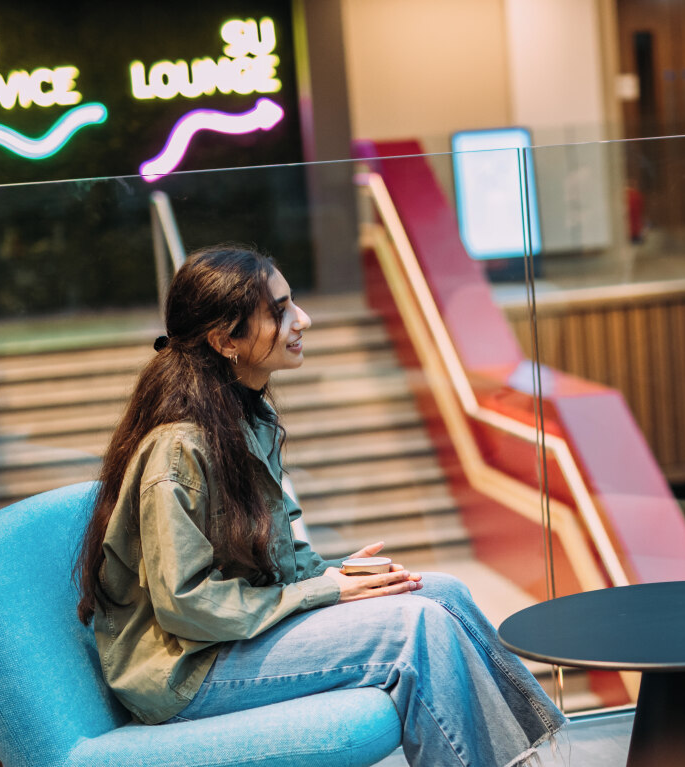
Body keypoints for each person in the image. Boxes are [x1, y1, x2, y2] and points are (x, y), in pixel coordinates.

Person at [75, 244, 566, 766]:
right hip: (186, 669)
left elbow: (268, 559)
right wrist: (323, 591)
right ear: (225, 340)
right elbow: (186, 605)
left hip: (226, 638)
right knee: (415, 629)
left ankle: (535, 758)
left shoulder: (244, 417)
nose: (301, 319)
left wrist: (339, 575)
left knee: (443, 592)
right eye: (279, 310)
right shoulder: (180, 447)